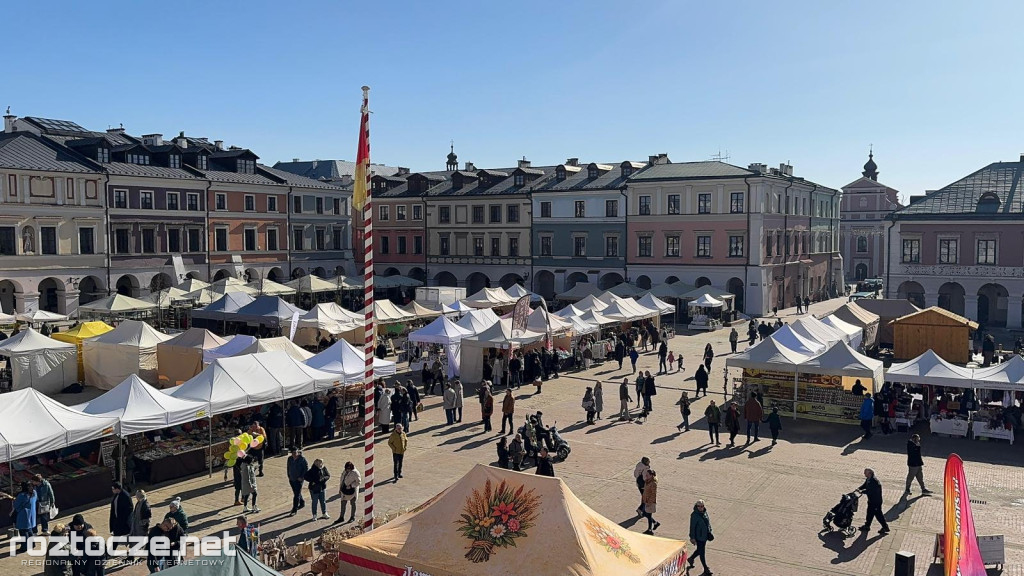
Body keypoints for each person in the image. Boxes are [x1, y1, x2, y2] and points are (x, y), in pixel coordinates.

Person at [857, 468, 889, 534]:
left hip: (876, 502)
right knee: (869, 513)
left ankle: (885, 527)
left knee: (878, 515)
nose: (864, 474)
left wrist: (862, 491)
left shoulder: (874, 482)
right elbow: (865, 485)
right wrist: (859, 488)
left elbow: (870, 491)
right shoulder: (869, 479)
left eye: (865, 473)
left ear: (870, 473)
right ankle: (867, 526)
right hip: (871, 500)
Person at [688, 499, 713, 575]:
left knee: (699, 550)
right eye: (699, 506)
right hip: (699, 537)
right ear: (696, 506)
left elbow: (707, 522)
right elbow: (692, 527)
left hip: (705, 536)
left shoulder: (705, 512)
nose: (701, 508)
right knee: (702, 553)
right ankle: (705, 569)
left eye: (702, 506)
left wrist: (710, 530)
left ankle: (691, 558)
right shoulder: (694, 515)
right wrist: (692, 537)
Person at [12, 481, 36, 553]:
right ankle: (32, 544)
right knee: (29, 529)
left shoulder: (22, 495)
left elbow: (16, 505)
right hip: (30, 513)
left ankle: (24, 547)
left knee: (23, 531)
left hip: (23, 514)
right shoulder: (34, 493)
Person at [287, 447, 308, 516]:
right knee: (296, 492)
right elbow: (288, 467)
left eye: (295, 453)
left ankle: (294, 509)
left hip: (299, 480)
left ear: (298, 452)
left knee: (296, 495)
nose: (294, 454)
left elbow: (306, 468)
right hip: (292, 479)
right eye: (292, 453)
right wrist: (289, 475)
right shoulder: (289, 459)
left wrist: (302, 477)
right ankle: (302, 502)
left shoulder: (302, 459)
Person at [640, 469, 660, 535]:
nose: (646, 476)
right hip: (646, 500)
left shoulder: (653, 483)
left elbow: (653, 494)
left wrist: (649, 503)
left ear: (651, 475)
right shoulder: (647, 481)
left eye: (647, 475)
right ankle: (655, 523)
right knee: (645, 514)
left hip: (650, 502)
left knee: (648, 515)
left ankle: (650, 530)